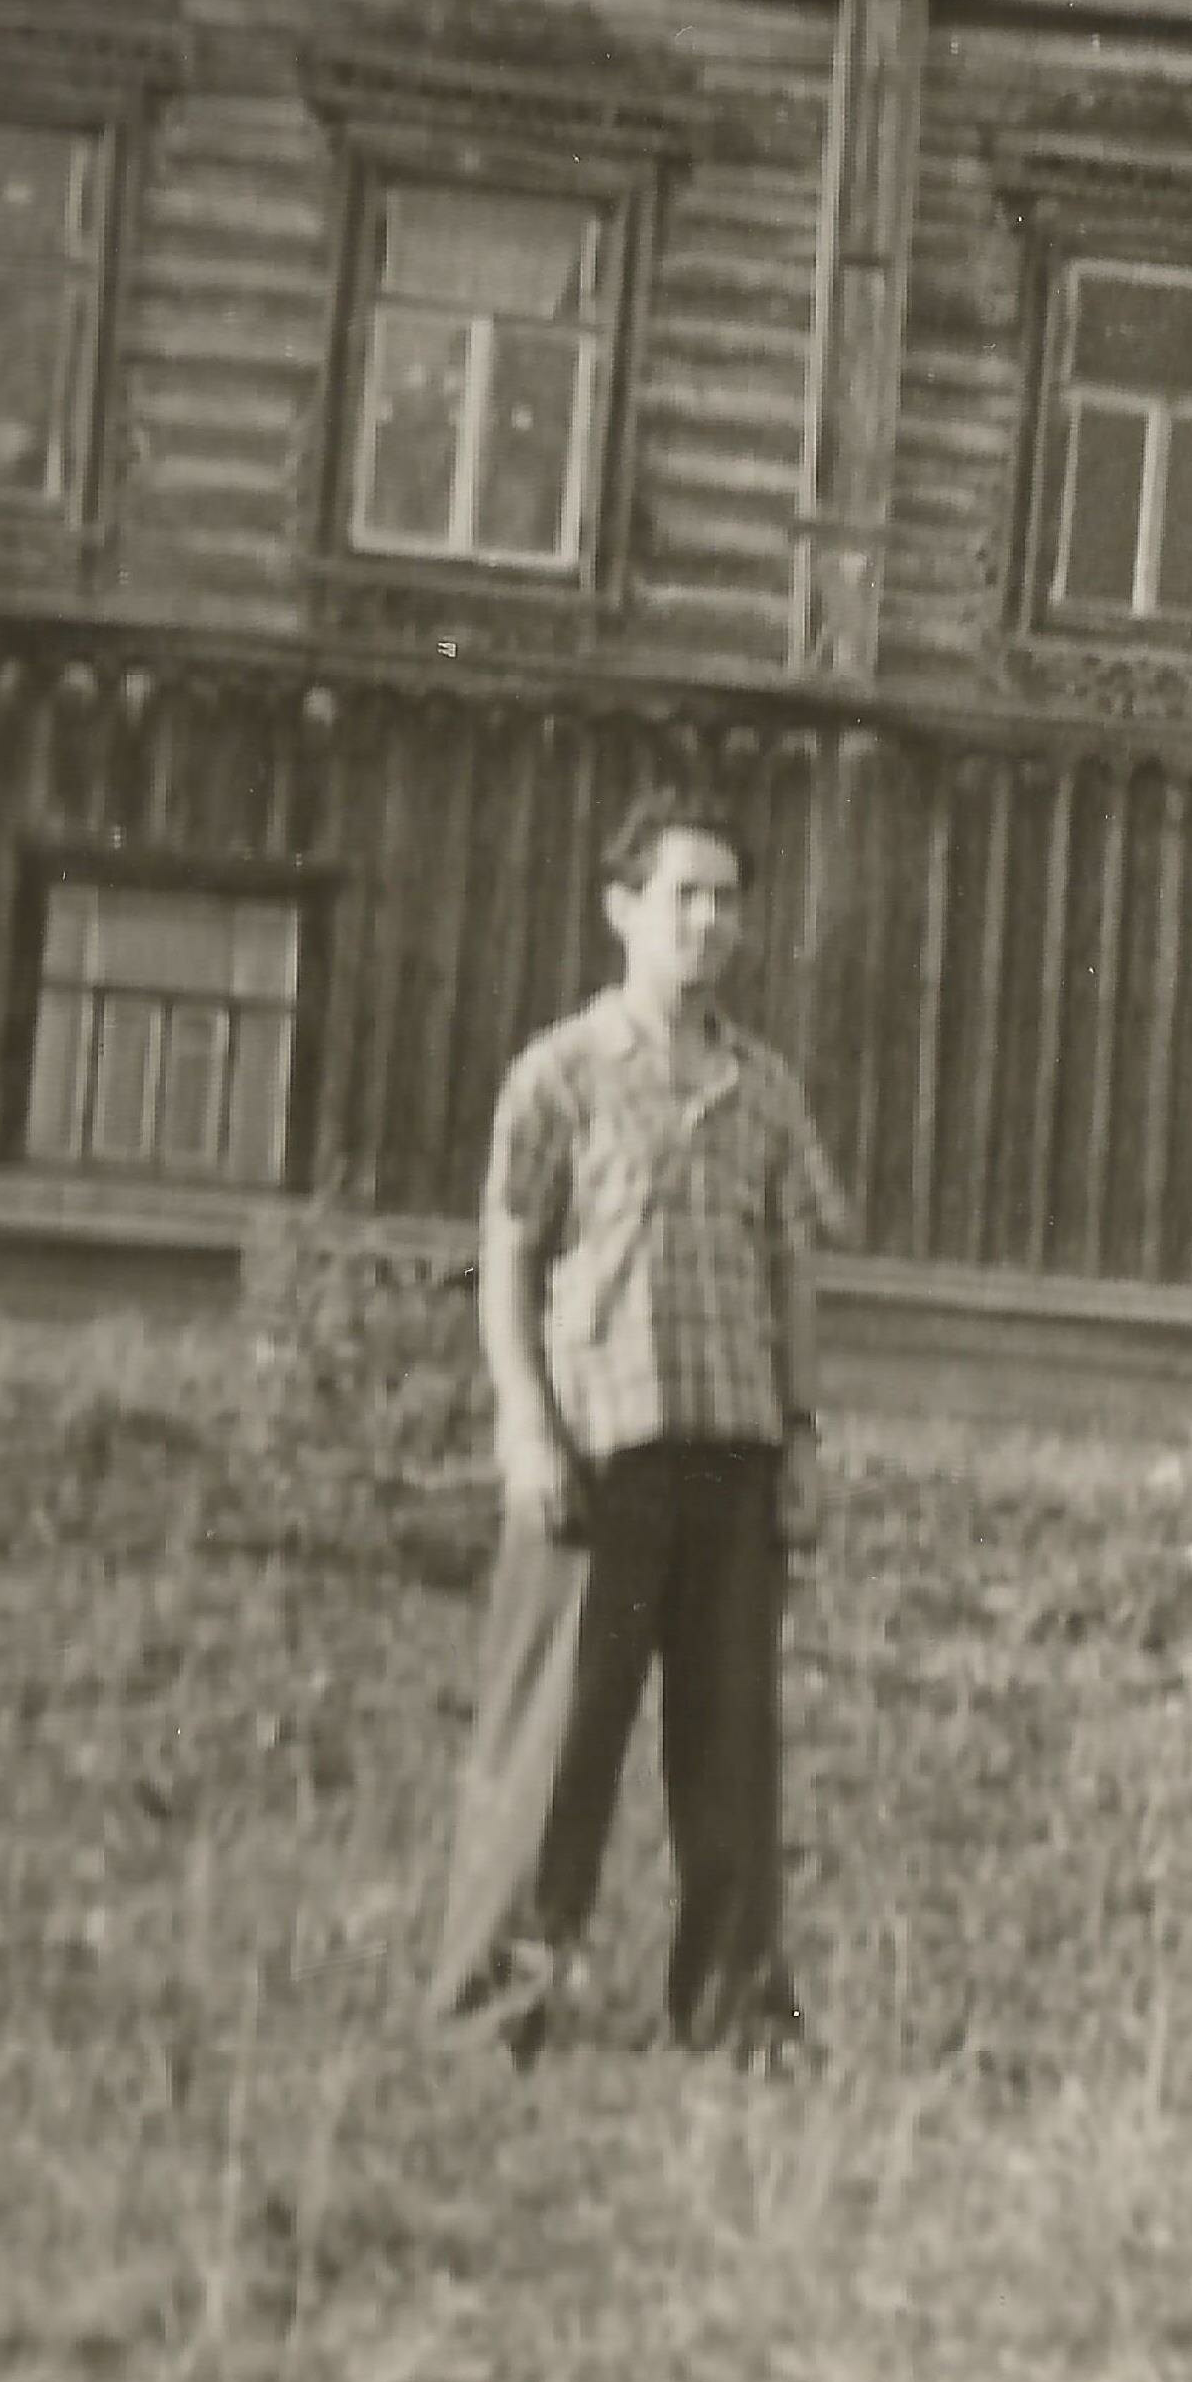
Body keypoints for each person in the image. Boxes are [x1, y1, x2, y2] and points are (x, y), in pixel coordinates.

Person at [424, 789, 847, 2062]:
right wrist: (525, 1428)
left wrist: (803, 1439)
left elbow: (792, 1278)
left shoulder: (764, 1090)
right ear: (623, 910)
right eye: (684, 896)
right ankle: (492, 2017)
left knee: (730, 1758)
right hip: (596, 1459)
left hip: (733, 1463)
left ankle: (731, 2019)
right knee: (551, 1748)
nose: (708, 922)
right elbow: (504, 1259)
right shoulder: (557, 1075)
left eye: (727, 899)